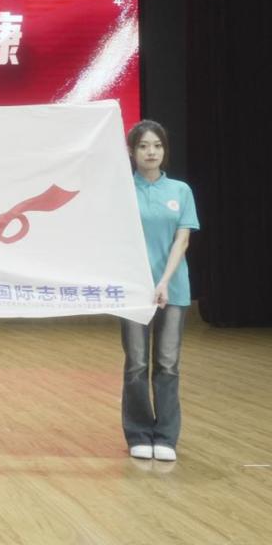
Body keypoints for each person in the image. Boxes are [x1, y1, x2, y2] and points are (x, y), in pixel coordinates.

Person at [121, 119, 199, 462]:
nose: (150, 152)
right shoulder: (122, 190)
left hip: (173, 289)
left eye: (157, 145)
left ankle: (166, 436)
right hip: (133, 291)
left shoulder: (180, 191)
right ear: (132, 151)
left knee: (168, 363)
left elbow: (182, 240)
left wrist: (164, 281)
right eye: (143, 146)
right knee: (136, 363)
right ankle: (139, 433)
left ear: (164, 150)